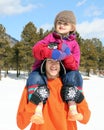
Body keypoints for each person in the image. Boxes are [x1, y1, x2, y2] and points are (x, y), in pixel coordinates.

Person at [26, 10, 83, 123]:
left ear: (72, 27)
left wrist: (66, 55)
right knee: (34, 77)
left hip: (65, 72)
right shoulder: (50, 38)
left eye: (65, 23)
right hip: (42, 70)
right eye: (59, 22)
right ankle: (38, 109)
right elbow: (36, 50)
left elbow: (75, 65)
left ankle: (73, 107)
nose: (61, 25)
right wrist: (49, 52)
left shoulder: (74, 45)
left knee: (75, 76)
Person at [16, 58, 91, 130]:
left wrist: (79, 98)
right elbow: (21, 123)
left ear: (61, 64)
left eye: (57, 61)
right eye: (50, 61)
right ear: (44, 64)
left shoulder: (70, 86)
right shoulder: (33, 87)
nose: (53, 65)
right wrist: (34, 102)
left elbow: (85, 119)